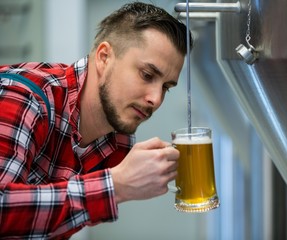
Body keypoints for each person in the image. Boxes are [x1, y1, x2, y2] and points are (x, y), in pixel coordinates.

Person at [0, 2, 193, 239]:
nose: (156, 98)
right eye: (147, 75)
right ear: (104, 57)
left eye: (166, 87)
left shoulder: (116, 141)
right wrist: (116, 185)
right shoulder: (26, 97)